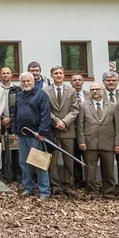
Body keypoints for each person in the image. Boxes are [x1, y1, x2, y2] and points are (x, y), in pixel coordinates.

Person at [76, 82, 119, 198]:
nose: (95, 91)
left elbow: (118, 126)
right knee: (90, 170)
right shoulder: (83, 105)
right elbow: (80, 125)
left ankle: (109, 192)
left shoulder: (112, 106)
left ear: (103, 91)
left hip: (108, 143)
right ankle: (92, 191)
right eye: (92, 90)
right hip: (89, 142)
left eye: (97, 89)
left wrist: (118, 143)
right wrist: (81, 141)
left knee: (109, 169)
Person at [12, 71, 52, 199]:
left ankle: (44, 191)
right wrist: (14, 131)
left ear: (33, 81)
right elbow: (15, 114)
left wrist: (42, 132)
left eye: (28, 81)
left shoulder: (41, 95)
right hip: (22, 135)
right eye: (23, 81)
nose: (26, 83)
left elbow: (46, 115)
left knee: (39, 163)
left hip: (36, 136)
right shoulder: (19, 95)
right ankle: (28, 188)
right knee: (24, 163)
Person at [45, 66, 80, 195]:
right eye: (56, 73)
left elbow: (74, 110)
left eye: (60, 73)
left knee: (68, 159)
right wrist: (56, 122)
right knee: (53, 160)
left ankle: (68, 185)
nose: (58, 75)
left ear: (64, 75)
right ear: (51, 75)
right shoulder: (45, 90)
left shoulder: (71, 91)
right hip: (53, 130)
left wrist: (64, 122)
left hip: (67, 130)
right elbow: (45, 110)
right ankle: (54, 185)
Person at [0, 67, 22, 184]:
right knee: (1, 148)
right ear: (0, 75)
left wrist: (11, 119)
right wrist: (1, 118)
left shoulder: (17, 89)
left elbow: (20, 107)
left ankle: (17, 174)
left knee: (15, 149)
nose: (5, 75)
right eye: (3, 73)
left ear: (11, 75)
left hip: (14, 123)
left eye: (8, 73)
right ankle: (3, 173)